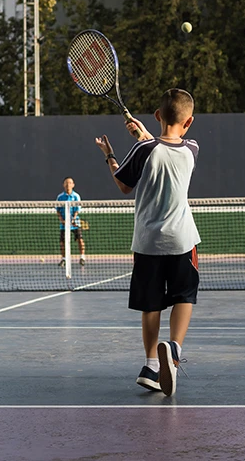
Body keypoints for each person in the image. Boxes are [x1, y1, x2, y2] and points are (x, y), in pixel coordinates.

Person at [94, 88, 200, 397]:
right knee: (184, 296)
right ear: (189, 121)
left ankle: (151, 365)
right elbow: (163, 147)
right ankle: (175, 348)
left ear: (157, 115)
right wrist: (142, 134)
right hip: (183, 238)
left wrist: (110, 155)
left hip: (147, 241)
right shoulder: (192, 149)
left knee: (151, 304)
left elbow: (124, 184)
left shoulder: (144, 150)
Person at [56, 177, 86, 266]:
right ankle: (64, 259)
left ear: (73, 185)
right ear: (63, 185)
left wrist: (73, 219)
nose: (68, 185)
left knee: (80, 239)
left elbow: (77, 209)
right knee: (62, 242)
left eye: (69, 183)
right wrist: (62, 221)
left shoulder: (76, 196)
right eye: (66, 183)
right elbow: (58, 210)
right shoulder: (60, 197)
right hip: (64, 224)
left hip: (75, 223)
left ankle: (82, 257)